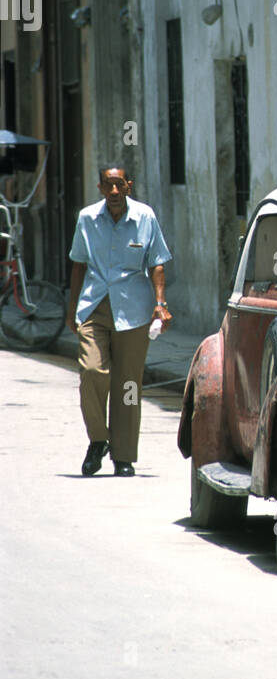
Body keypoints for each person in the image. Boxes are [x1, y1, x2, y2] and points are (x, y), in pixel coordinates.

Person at [66, 165, 172, 477]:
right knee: (92, 372)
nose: (114, 191)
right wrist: (72, 311)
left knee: (127, 384)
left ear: (128, 186)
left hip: (134, 310)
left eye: (119, 185)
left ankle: (123, 456)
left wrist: (160, 304)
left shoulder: (145, 217)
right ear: (100, 188)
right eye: (108, 186)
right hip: (94, 305)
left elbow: (157, 263)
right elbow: (78, 265)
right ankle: (99, 439)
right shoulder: (87, 218)